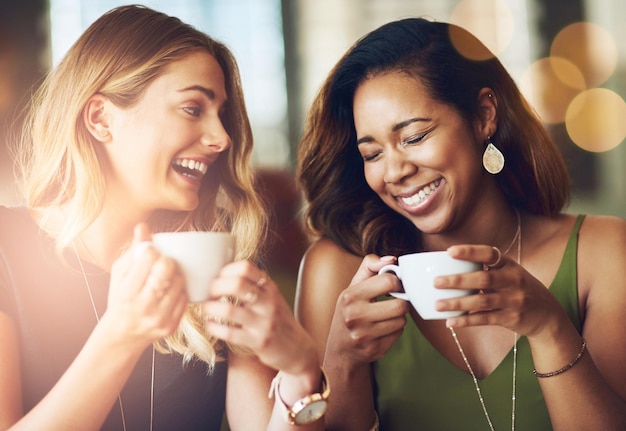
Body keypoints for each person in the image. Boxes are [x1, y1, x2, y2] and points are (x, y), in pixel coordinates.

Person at [0, 5, 328, 430]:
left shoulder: (219, 266)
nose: (222, 138)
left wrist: (301, 373)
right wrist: (121, 335)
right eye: (193, 108)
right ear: (100, 118)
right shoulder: (7, 248)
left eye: (221, 115)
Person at [296, 17, 626, 431]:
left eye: (414, 137)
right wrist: (342, 361)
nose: (394, 171)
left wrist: (549, 328)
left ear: (484, 115)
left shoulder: (603, 252)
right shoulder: (339, 273)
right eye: (372, 153)